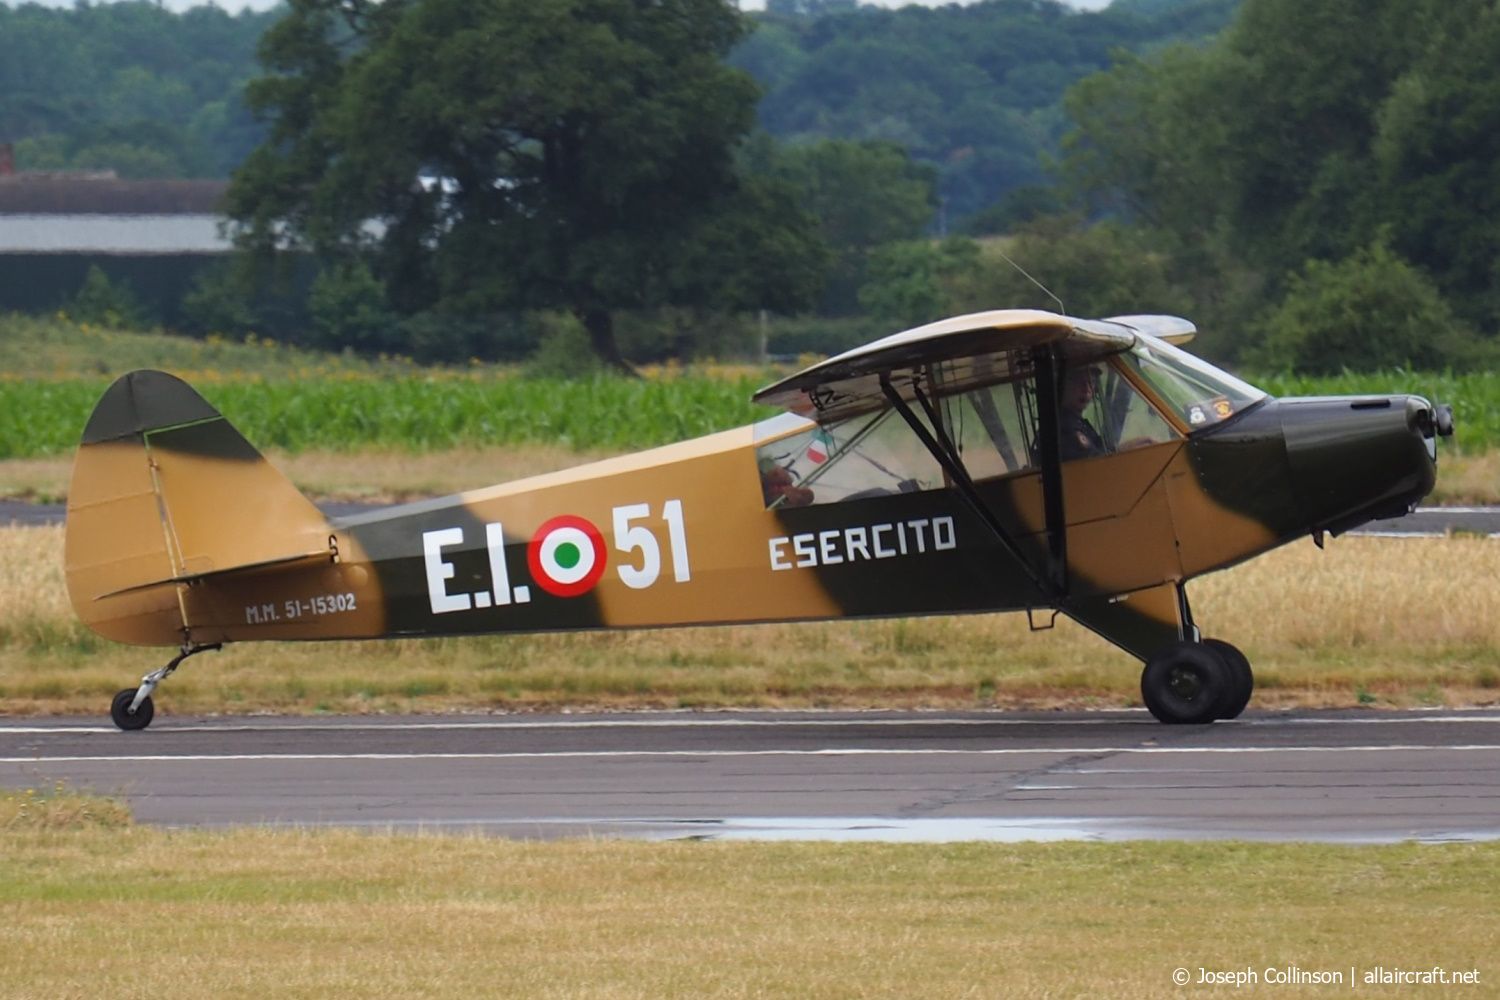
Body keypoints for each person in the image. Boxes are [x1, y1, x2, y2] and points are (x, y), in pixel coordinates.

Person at [1056, 365, 1106, 460]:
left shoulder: (1078, 422)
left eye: (1091, 382)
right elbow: (1099, 460)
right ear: (1063, 387)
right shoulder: (1067, 427)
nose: (1087, 389)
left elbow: (1104, 449)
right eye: (1079, 382)